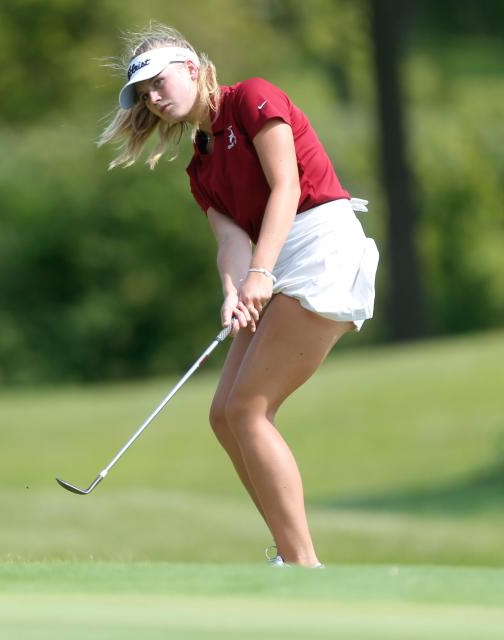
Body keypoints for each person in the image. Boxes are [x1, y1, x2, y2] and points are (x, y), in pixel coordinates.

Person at [98, 23, 378, 567]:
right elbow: (230, 239)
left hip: (320, 244)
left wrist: (261, 274)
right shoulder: (200, 167)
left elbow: (287, 186)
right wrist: (234, 287)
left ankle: (302, 564)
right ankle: (289, 550)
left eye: (160, 81)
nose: (154, 97)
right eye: (144, 94)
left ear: (193, 69)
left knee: (250, 408)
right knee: (224, 414)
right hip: (272, 260)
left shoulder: (252, 97)